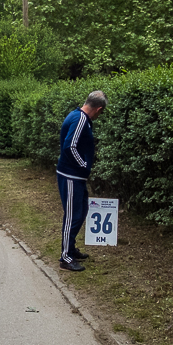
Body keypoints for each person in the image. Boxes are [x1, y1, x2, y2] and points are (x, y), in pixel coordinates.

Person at [56, 91, 107, 271]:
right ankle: (65, 257)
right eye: (101, 113)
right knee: (72, 216)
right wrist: (84, 165)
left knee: (81, 212)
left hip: (76, 176)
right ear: (98, 109)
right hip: (71, 176)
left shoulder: (77, 115)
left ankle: (70, 248)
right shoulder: (80, 119)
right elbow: (70, 146)